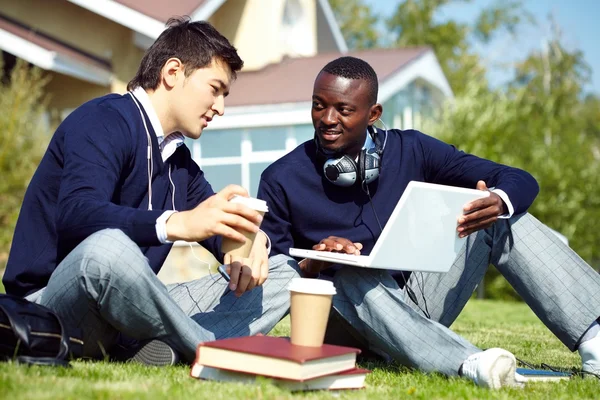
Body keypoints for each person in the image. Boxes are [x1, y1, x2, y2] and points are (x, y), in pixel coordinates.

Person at [257, 56, 600, 388]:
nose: (327, 118)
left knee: (496, 212)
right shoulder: (280, 177)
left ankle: (596, 341)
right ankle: (469, 364)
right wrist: (315, 261)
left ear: (373, 114)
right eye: (319, 105)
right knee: (350, 275)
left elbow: (517, 178)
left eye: (343, 109)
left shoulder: (414, 149)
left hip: (416, 301)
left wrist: (499, 200)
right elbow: (275, 275)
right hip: (348, 315)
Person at [3, 17, 298, 365]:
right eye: (215, 89)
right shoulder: (102, 119)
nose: (220, 107)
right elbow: (77, 213)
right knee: (108, 247)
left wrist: (250, 244)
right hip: (54, 305)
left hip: (129, 311)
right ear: (173, 72)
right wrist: (176, 224)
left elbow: (214, 226)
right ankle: (209, 349)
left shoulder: (179, 161)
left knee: (284, 271)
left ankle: (160, 345)